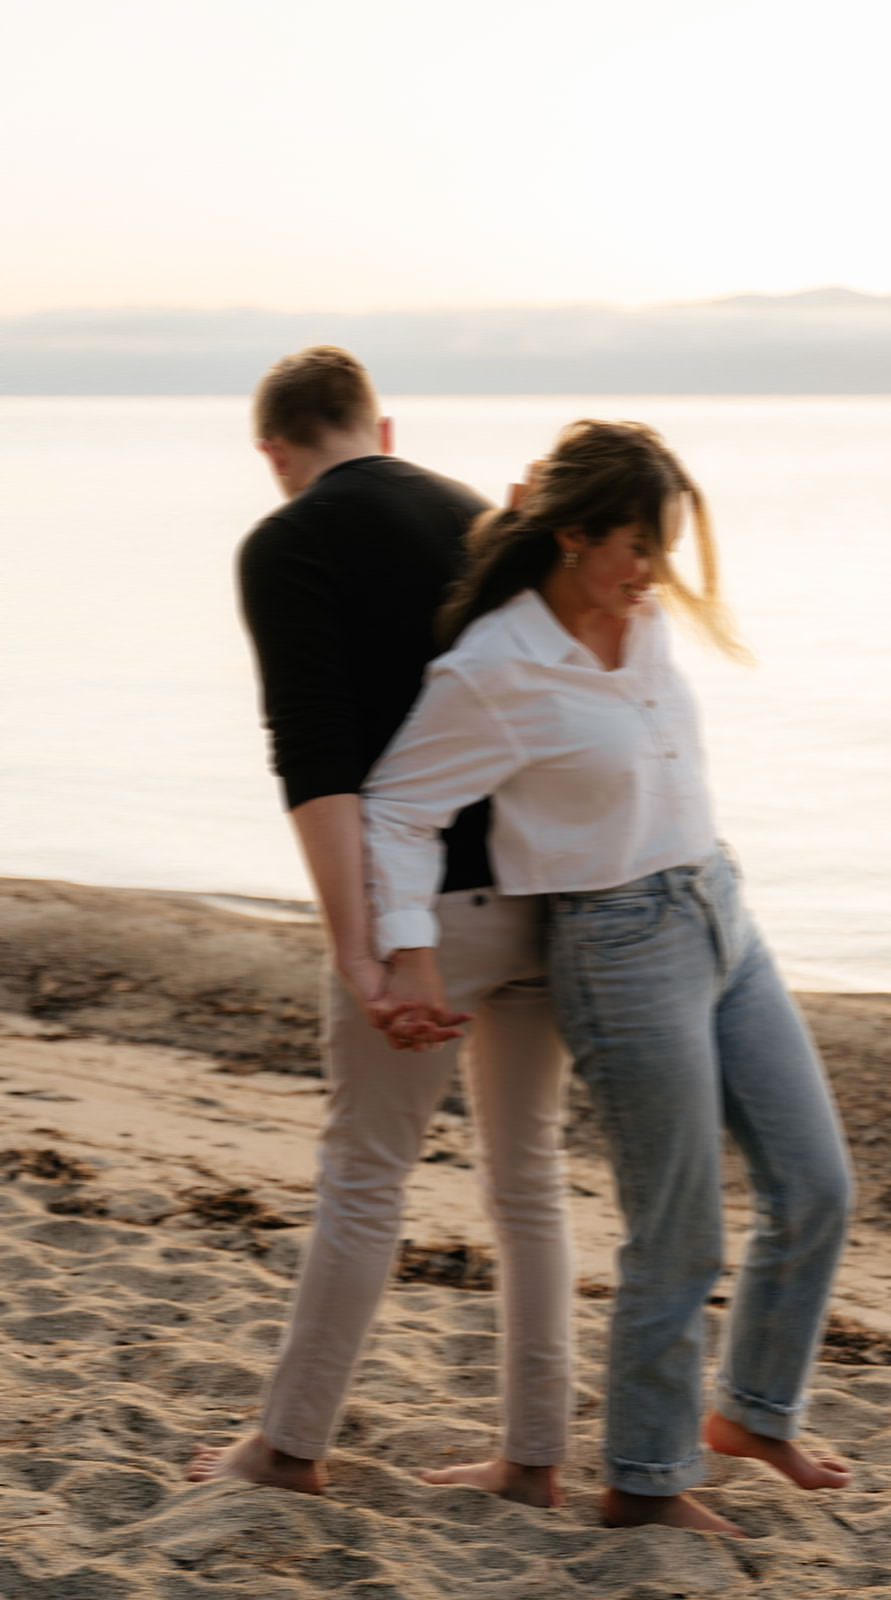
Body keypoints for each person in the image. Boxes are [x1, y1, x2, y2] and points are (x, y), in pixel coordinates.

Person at [362, 419, 855, 1534]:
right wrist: (410, 947)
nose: (653, 572)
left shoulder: (638, 623)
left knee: (816, 1184)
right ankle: (642, 1480)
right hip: (617, 944)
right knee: (676, 1227)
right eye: (636, 545)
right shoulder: (492, 667)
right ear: (575, 535)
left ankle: (751, 1412)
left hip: (718, 907)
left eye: (663, 544)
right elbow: (399, 805)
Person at [187, 346, 572, 1507]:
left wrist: (358, 943)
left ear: (273, 452)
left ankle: (290, 1448)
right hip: (544, 892)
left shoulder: (286, 542)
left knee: (364, 1175)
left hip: (430, 913)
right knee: (529, 1178)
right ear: (383, 428)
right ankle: (532, 1462)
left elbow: (313, 759)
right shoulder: (474, 518)